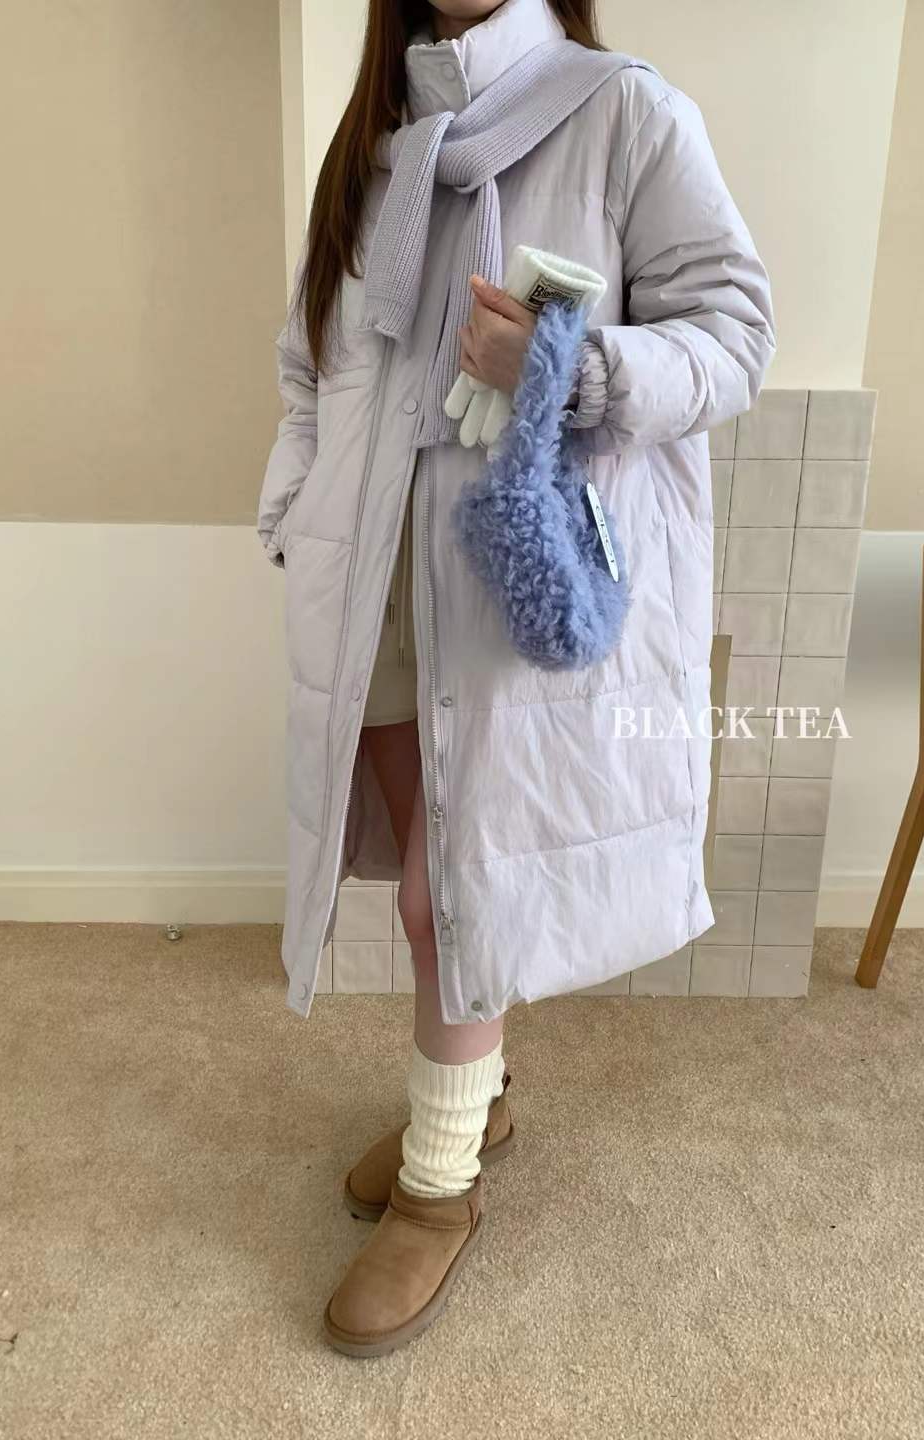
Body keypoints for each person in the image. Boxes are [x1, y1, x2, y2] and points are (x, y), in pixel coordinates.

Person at [257, 0, 775, 1358]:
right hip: (366, 582)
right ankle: (472, 1097)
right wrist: (292, 511)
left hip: (496, 587)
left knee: (447, 895)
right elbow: (311, 364)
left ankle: (439, 1189)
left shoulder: (623, 111)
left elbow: (737, 334)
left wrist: (570, 365)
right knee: (431, 880)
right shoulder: (376, 140)